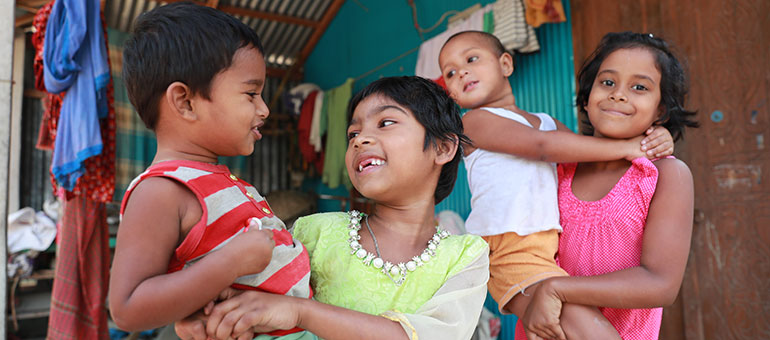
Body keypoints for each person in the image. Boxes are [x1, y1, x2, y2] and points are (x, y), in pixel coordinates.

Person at [176, 76, 490, 340]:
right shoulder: (314, 232)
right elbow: (259, 305)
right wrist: (218, 315)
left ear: (442, 147)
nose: (360, 139)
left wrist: (301, 311)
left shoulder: (465, 256)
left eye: (386, 122)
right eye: (353, 133)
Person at [438, 30, 675, 339]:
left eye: (471, 59)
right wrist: (630, 146)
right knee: (592, 331)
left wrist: (655, 140)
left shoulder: (546, 123)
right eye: (450, 73)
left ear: (506, 64)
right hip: (510, 251)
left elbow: (582, 154)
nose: (462, 73)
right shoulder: (473, 122)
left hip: (548, 252)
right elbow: (542, 147)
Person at [107, 2, 311, 338]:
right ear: (185, 102)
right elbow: (127, 308)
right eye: (251, 94)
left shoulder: (218, 179)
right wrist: (232, 260)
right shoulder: (161, 191)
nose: (264, 109)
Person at [520, 31, 697, 340]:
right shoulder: (556, 166)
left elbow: (661, 284)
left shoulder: (665, 175)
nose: (618, 94)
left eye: (639, 87)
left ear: (661, 111)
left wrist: (557, 289)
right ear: (587, 98)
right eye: (607, 82)